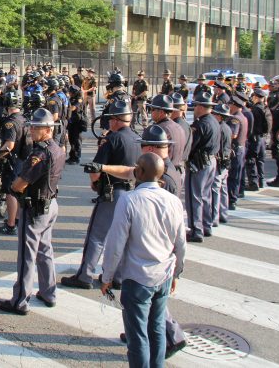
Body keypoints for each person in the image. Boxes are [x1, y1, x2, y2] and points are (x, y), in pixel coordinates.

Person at [100, 153, 186, 368]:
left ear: (139, 173)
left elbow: (115, 243)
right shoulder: (173, 200)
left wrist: (107, 275)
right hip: (164, 272)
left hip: (138, 276)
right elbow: (181, 243)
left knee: (138, 336)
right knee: (156, 329)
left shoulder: (129, 200)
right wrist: (176, 272)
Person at [62, 100, 141, 289]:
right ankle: (119, 277)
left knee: (97, 235)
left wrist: (95, 183)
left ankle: (85, 275)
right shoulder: (138, 138)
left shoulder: (112, 139)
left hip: (112, 192)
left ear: (115, 120)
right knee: (124, 236)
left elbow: (96, 168)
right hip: (132, 192)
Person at [0, 108, 65, 315]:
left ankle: (20, 300)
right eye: (32, 126)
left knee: (27, 255)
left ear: (47, 129)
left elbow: (20, 183)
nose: (32, 129)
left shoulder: (40, 153)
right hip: (50, 204)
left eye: (36, 127)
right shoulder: (57, 148)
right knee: (45, 251)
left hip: (35, 208)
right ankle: (48, 292)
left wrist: (13, 188)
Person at [185, 91, 220, 243]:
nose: (195, 109)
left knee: (194, 197)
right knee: (205, 196)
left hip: (199, 163)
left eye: (196, 106)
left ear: (200, 107)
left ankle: (196, 230)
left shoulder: (200, 125)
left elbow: (191, 146)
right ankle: (206, 225)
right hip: (211, 161)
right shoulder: (214, 121)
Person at [0, 90, 30, 235]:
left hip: (13, 161)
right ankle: (18, 219)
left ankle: (10, 225)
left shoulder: (10, 122)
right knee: (20, 191)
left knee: (10, 191)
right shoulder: (24, 119)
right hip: (24, 159)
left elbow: (10, 145)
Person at [210, 104, 233, 224]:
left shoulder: (219, 128)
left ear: (219, 116)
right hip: (226, 161)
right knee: (223, 189)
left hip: (219, 162)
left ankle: (214, 217)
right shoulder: (227, 128)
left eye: (215, 114)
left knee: (215, 190)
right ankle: (223, 213)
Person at [245, 88, 269, 190]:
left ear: (255, 97)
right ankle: (261, 181)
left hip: (254, 137)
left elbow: (251, 125)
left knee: (251, 160)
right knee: (260, 161)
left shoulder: (255, 110)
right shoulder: (265, 108)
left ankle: (253, 183)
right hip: (263, 137)